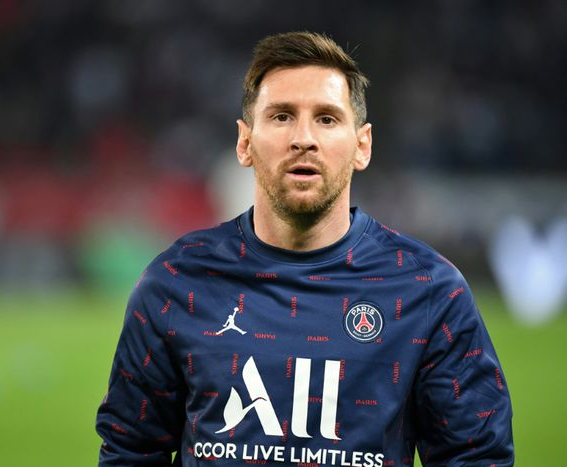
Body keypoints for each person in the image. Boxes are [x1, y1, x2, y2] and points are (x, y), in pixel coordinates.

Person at [95, 31, 514, 466]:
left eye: (327, 119)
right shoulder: (175, 283)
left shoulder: (429, 291)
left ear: (362, 146)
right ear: (244, 142)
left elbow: (477, 457)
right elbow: (130, 451)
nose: (303, 138)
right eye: (281, 116)